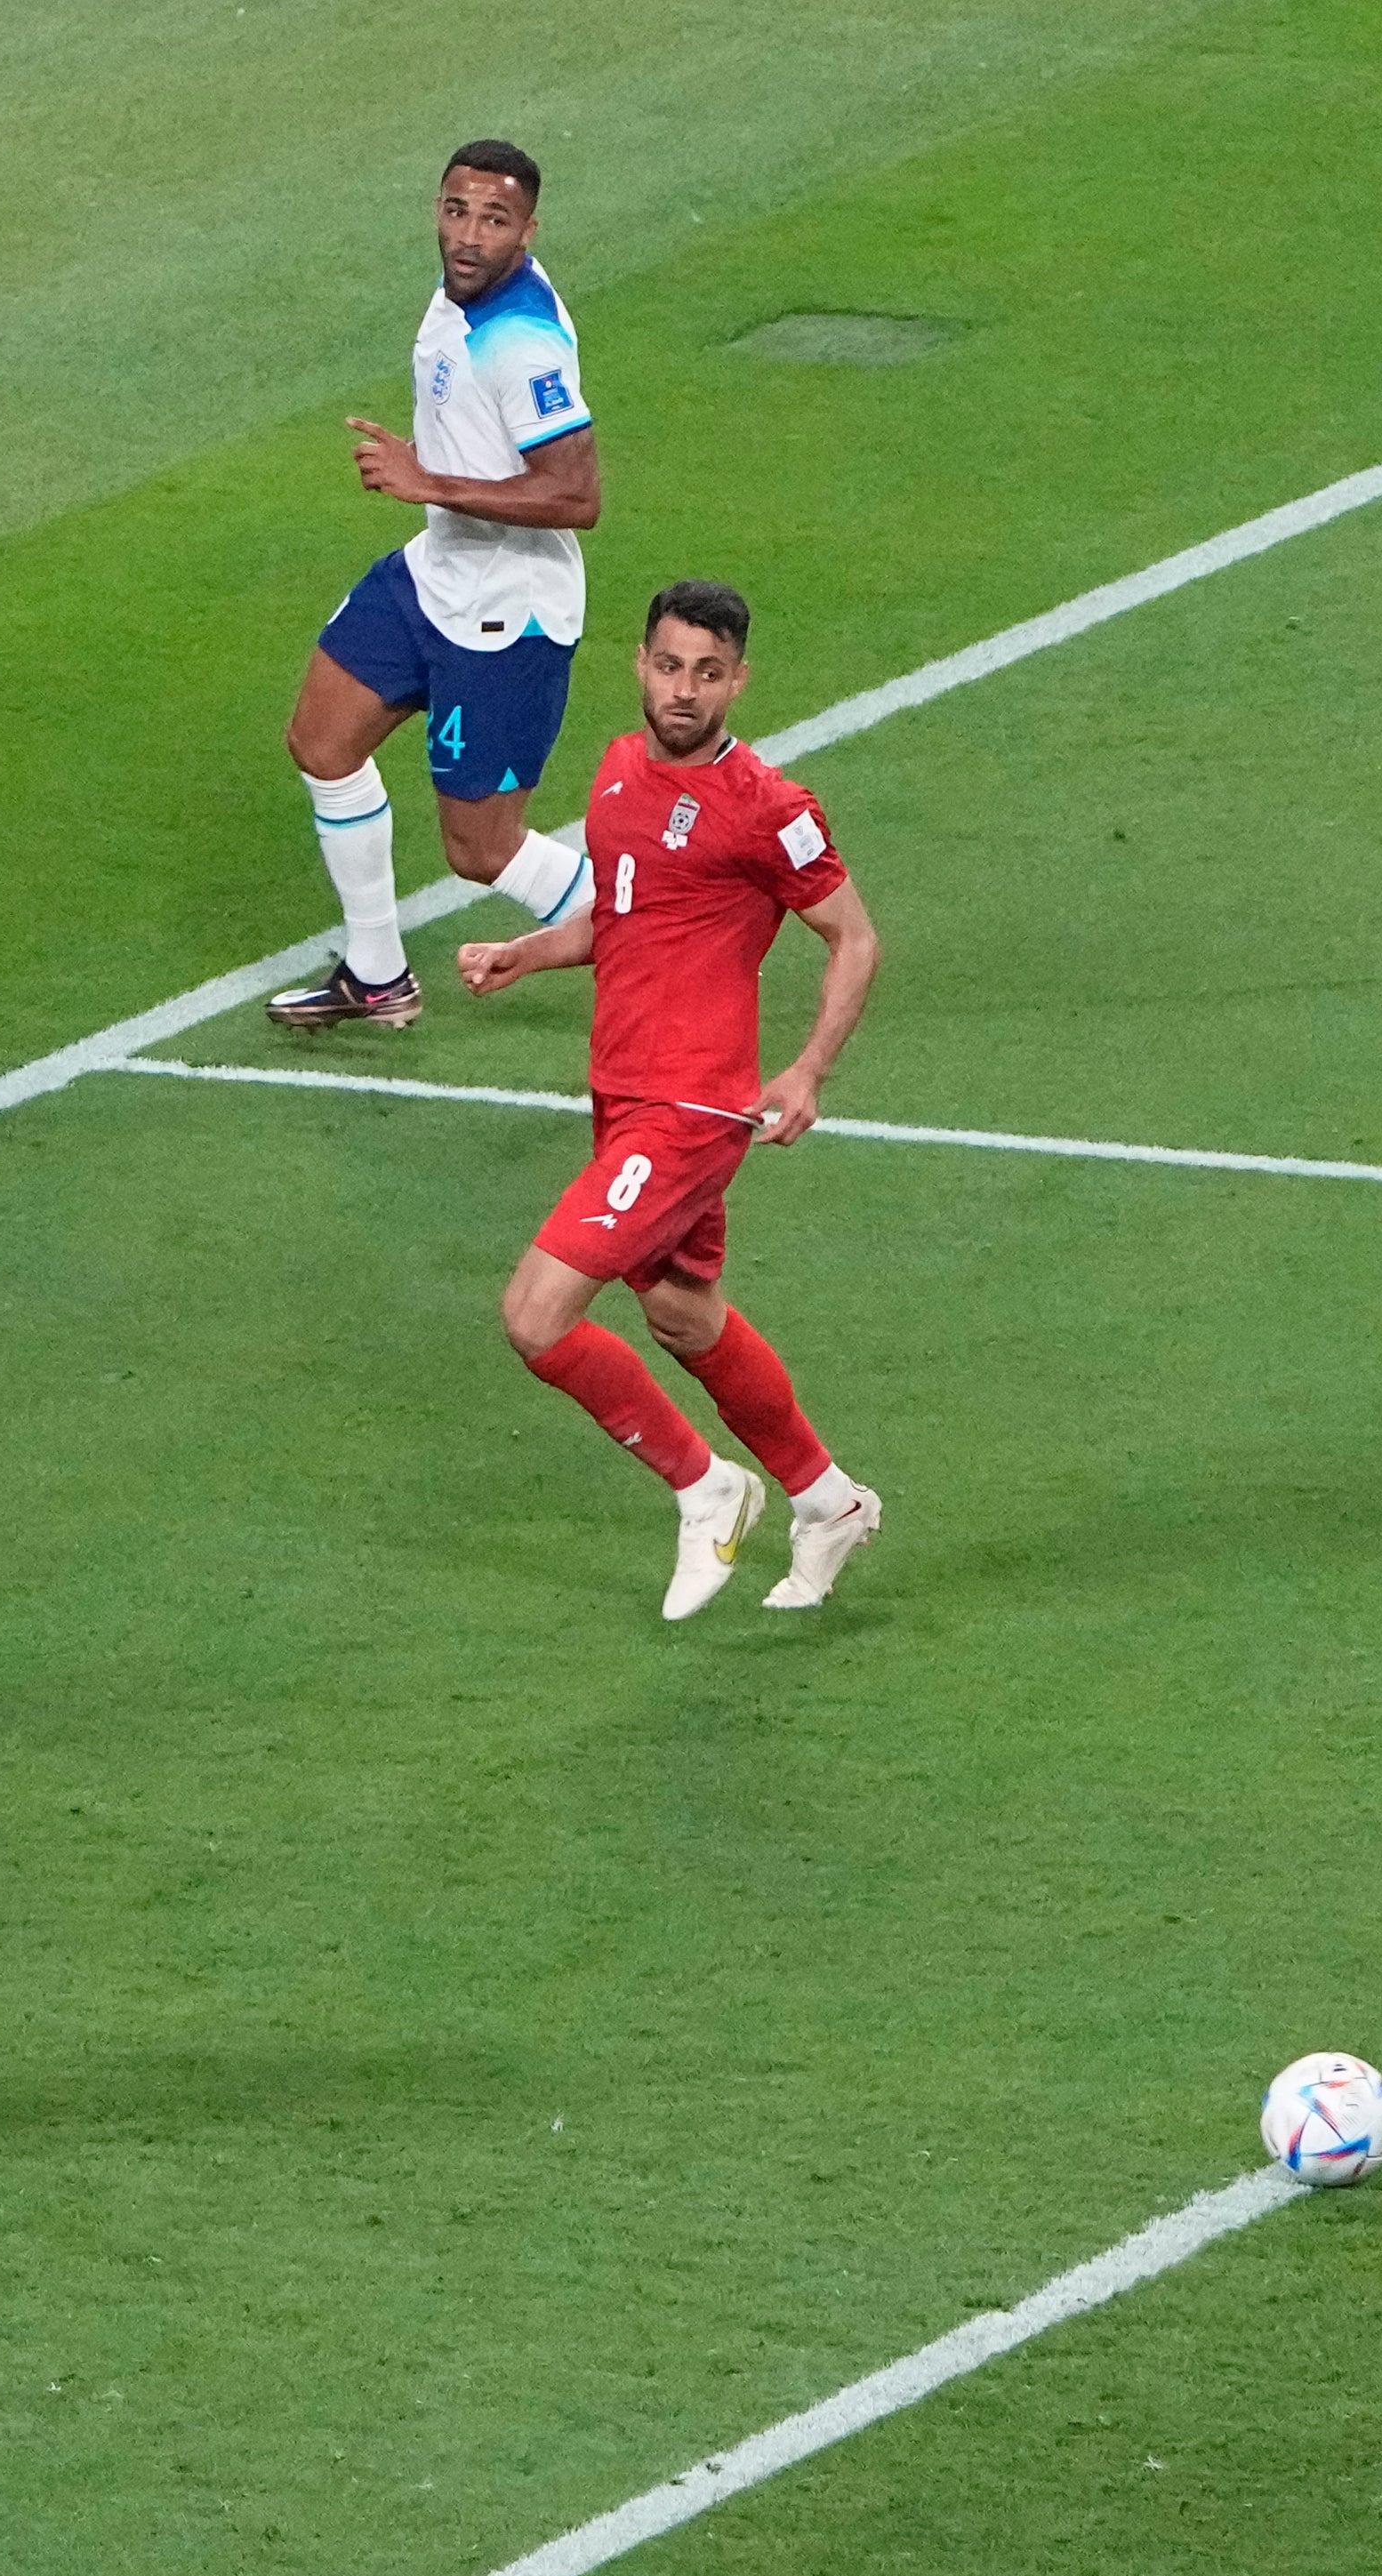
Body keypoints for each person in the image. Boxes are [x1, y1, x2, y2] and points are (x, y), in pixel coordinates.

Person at [454, 579, 887, 1617]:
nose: (683, 690)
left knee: (535, 1316)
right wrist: (531, 951)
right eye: (667, 665)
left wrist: (805, 1072)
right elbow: (625, 919)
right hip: (621, 1093)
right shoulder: (613, 773)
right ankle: (828, 1502)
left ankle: (705, 1489)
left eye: (707, 672)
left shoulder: (767, 809)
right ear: (639, 664)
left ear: (738, 679)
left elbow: (854, 938)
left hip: (688, 1111)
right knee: (685, 1319)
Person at [264, 138, 601, 1032]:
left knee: (479, 852)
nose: (468, 235)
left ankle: (655, 927)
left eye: (494, 220)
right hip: (432, 573)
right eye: (457, 211)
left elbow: (577, 494)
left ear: (527, 232)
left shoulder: (521, 342)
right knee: (321, 741)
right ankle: (376, 976)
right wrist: (434, 499)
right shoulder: (458, 292)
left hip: (506, 614)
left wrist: (428, 483)